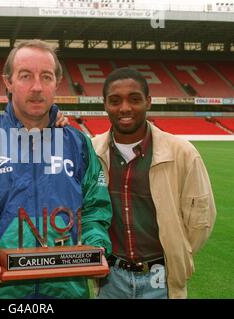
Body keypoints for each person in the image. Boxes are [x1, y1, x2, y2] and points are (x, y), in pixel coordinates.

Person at [0, 40, 112, 299]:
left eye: (46, 77)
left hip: (65, 291)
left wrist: (95, 245)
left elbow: (95, 210)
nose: (36, 87)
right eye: (25, 76)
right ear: (8, 82)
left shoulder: (78, 144)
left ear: (57, 82)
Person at [92, 67, 216, 299]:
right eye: (115, 101)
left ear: (148, 102)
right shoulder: (91, 152)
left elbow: (202, 219)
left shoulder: (183, 153)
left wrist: (178, 255)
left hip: (162, 281)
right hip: (110, 279)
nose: (125, 108)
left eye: (135, 99)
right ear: (105, 104)